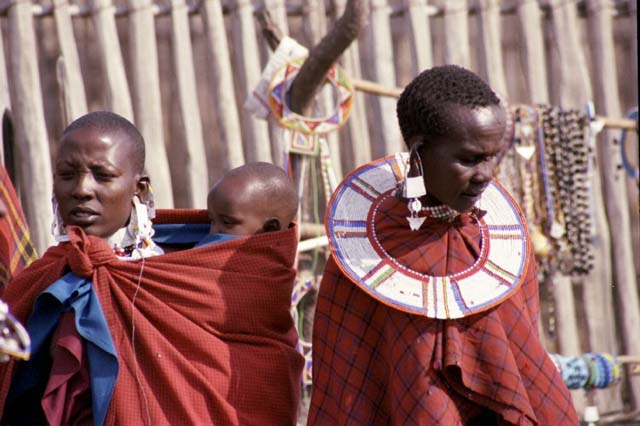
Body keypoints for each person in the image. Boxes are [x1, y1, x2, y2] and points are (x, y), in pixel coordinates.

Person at [308, 65, 578, 425]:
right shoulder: (362, 256)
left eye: (492, 157)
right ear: (419, 151)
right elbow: (349, 380)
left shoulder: (502, 244)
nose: (486, 175)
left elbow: (524, 361)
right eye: (469, 159)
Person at [0, 111, 303, 425]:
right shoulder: (42, 278)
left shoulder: (189, 280)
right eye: (66, 174)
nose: (81, 189)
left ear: (140, 189)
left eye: (102, 175)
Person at [199, 162, 298, 246]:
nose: (212, 232)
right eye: (212, 221)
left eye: (226, 222)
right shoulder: (202, 255)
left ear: (270, 229)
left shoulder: (272, 268)